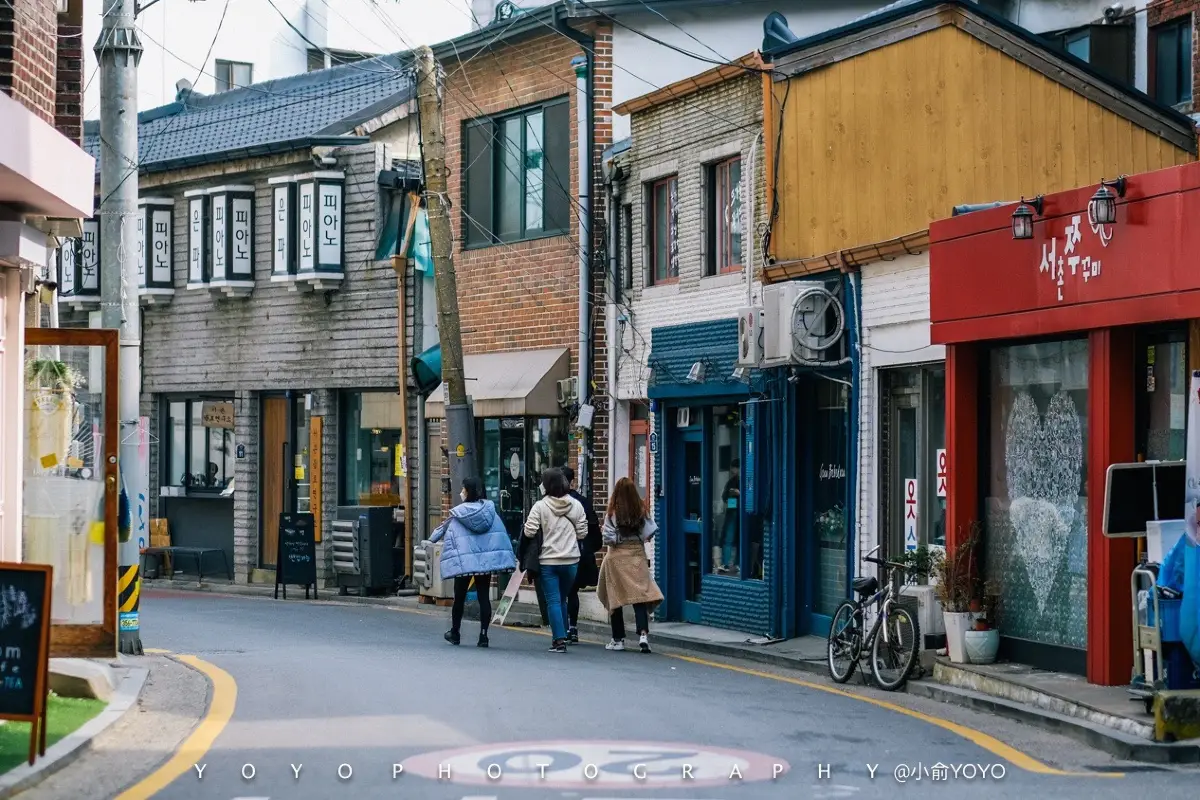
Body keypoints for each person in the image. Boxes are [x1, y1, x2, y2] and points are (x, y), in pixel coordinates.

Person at [429, 477, 517, 648]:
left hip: (464, 563)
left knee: (459, 597)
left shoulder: (459, 513)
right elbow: (501, 536)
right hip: (484, 563)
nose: (461, 492)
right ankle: (483, 636)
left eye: (463, 489)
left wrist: (431, 539)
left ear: (467, 491)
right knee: (484, 596)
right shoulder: (490, 512)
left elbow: (442, 530)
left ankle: (455, 633)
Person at [523, 467, 587, 653]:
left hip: (548, 561)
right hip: (571, 560)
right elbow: (583, 532)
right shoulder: (576, 505)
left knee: (552, 600)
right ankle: (565, 633)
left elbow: (529, 531)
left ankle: (559, 640)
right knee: (562, 598)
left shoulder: (540, 506)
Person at [597, 477, 663, 653]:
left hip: (616, 557)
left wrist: (617, 536)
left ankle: (618, 639)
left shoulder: (612, 513)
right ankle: (643, 635)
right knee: (639, 597)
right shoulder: (641, 511)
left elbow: (609, 539)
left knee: (615, 599)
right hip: (636, 556)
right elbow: (650, 533)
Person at [562, 465, 601, 645]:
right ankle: (573, 627)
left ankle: (562, 629)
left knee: (561, 593)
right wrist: (589, 549)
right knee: (573, 591)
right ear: (572, 482)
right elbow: (593, 529)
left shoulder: (551, 501)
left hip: (559, 552)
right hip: (579, 552)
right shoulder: (583, 502)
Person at [715, 459, 740, 574]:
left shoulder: (746, 480)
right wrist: (730, 493)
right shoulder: (731, 481)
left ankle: (738, 564)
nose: (732, 471)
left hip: (742, 514)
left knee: (740, 539)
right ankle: (726, 564)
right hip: (733, 512)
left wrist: (739, 493)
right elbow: (724, 496)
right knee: (729, 538)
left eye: (733, 468)